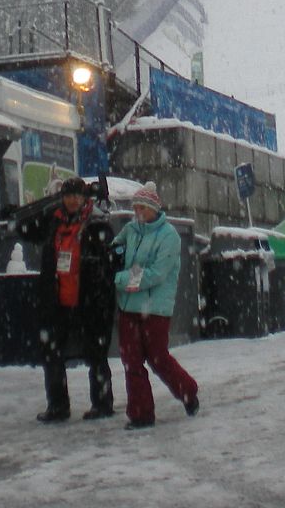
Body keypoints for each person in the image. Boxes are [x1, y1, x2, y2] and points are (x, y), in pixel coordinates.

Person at [15, 176, 117, 423]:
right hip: (57, 299)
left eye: (77, 196)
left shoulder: (96, 223)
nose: (72, 200)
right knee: (52, 352)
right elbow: (24, 228)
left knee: (96, 352)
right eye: (68, 196)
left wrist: (101, 292)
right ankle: (58, 406)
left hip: (89, 300)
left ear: (85, 199)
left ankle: (102, 404)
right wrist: (31, 209)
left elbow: (110, 259)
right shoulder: (54, 221)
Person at [113, 182, 199, 430]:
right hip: (129, 307)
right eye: (136, 207)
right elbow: (116, 247)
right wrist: (113, 253)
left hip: (155, 309)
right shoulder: (131, 230)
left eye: (143, 208)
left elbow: (156, 274)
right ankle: (140, 414)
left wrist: (118, 279)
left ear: (154, 209)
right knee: (131, 360)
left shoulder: (169, 236)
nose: (138, 212)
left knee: (158, 357)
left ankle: (188, 392)